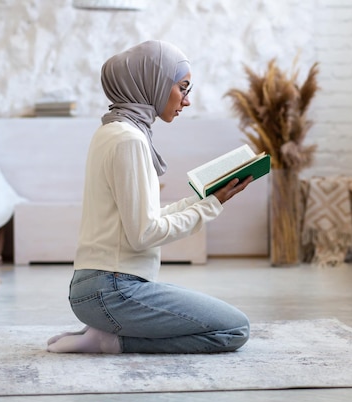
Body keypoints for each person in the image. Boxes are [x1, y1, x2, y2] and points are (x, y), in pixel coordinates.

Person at [46, 40, 252, 354]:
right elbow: (145, 233)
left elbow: (145, 219)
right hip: (113, 291)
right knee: (235, 329)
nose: (187, 100)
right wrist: (210, 206)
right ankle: (110, 339)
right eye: (183, 87)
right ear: (152, 82)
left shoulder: (111, 131)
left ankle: (100, 330)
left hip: (100, 288)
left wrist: (208, 199)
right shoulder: (130, 140)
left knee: (221, 321)